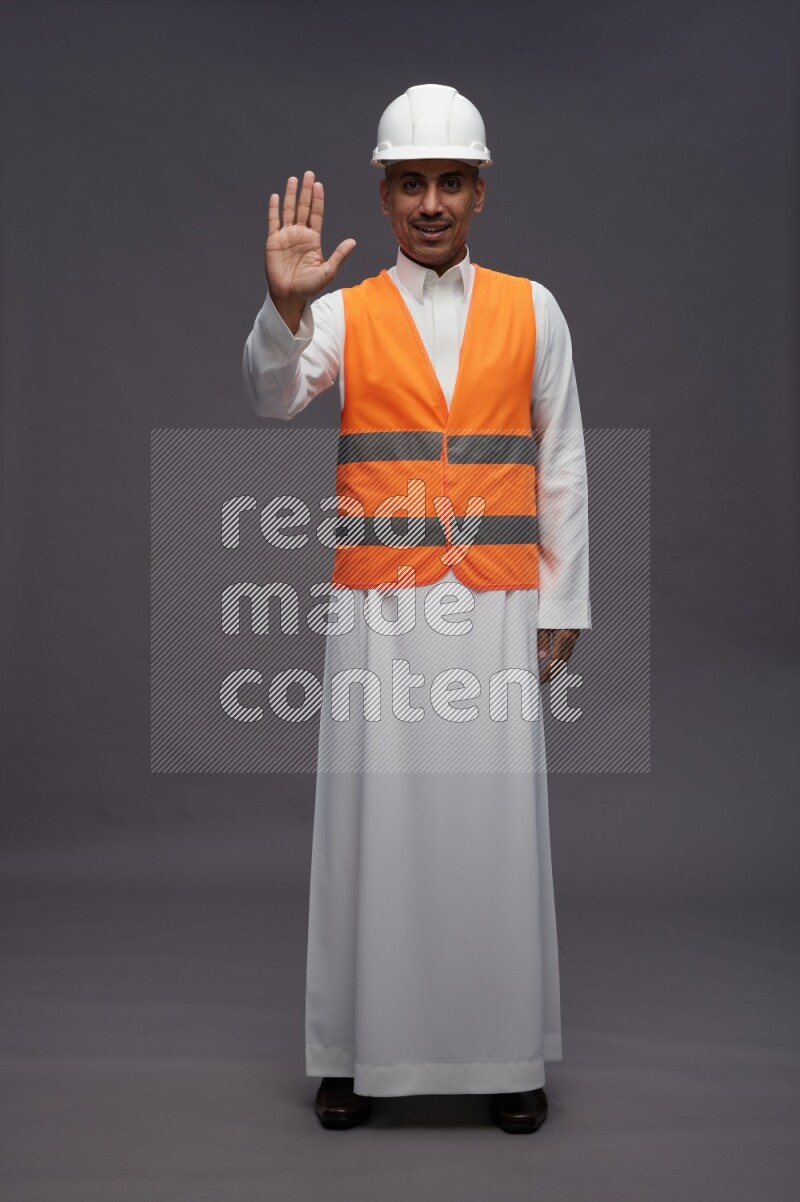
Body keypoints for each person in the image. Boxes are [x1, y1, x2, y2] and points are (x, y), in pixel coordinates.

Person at [242, 83, 591, 1133]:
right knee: (369, 825)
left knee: (492, 830)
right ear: (384, 194)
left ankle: (504, 1054)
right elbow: (269, 395)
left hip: (493, 606)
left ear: (478, 191)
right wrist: (282, 306)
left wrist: (561, 597)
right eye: (410, 184)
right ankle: (349, 1052)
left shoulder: (534, 307)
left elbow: (562, 458)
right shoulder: (340, 312)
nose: (429, 202)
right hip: (378, 612)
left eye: (448, 181)